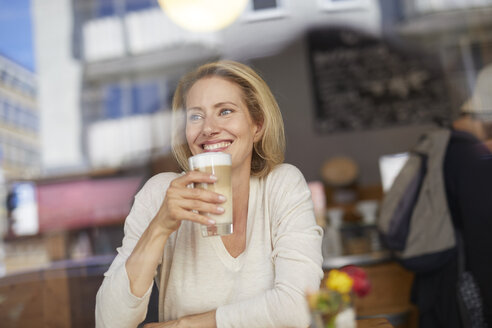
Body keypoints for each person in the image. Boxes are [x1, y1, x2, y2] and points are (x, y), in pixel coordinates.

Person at [95, 60, 324, 328]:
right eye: (195, 116)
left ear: (257, 125)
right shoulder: (160, 193)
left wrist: (184, 325)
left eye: (225, 111)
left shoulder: (281, 184)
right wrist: (159, 227)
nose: (208, 128)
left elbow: (297, 309)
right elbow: (109, 322)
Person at [412, 64, 492, 328]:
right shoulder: (471, 157)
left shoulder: (444, 144)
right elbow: (482, 248)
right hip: (460, 297)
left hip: (438, 291)